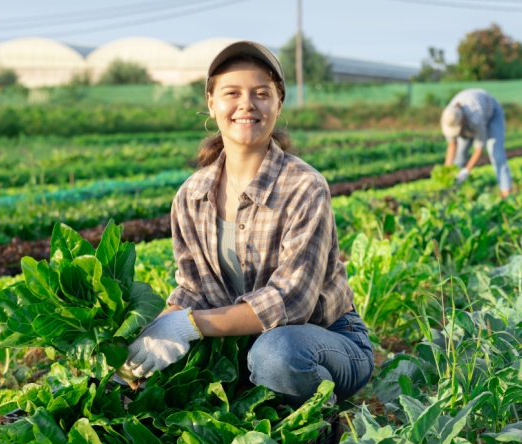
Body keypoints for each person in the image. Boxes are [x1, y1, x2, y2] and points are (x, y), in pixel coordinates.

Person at [119, 41, 374, 406]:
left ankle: (320, 419)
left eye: (260, 93)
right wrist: (149, 333)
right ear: (211, 102)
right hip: (246, 343)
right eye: (232, 93)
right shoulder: (191, 196)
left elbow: (293, 301)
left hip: (325, 341)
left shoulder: (304, 187)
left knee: (275, 355)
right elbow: (193, 289)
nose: (246, 105)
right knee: (169, 378)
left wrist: (191, 325)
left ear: (278, 104)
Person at [441, 88, 513, 198]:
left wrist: (466, 171)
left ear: (463, 121)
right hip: (469, 117)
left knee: (497, 154)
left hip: (492, 115)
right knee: (459, 157)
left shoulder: (475, 118)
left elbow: (479, 148)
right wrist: (447, 171)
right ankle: (453, 193)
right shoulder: (448, 116)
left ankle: (507, 194)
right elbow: (452, 144)